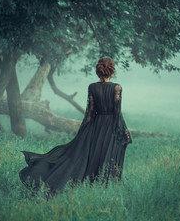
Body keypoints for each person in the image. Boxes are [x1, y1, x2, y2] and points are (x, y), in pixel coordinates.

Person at [19, 57, 132, 195]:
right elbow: (117, 113)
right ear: (111, 71)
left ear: (99, 71)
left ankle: (81, 185)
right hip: (110, 128)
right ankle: (102, 186)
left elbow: (89, 112)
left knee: (87, 157)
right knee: (104, 156)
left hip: (94, 127)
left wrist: (82, 134)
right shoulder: (117, 88)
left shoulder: (92, 87)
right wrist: (125, 132)